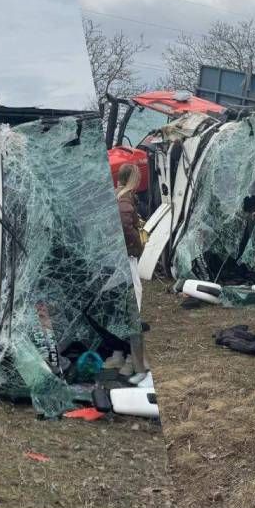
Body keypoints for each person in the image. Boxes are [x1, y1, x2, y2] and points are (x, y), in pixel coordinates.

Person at [114, 163, 148, 383]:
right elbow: (127, 228)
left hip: (120, 260)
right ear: (132, 178)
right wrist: (139, 242)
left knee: (127, 310)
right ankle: (138, 367)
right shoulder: (126, 201)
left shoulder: (119, 196)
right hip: (128, 259)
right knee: (133, 309)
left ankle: (129, 361)